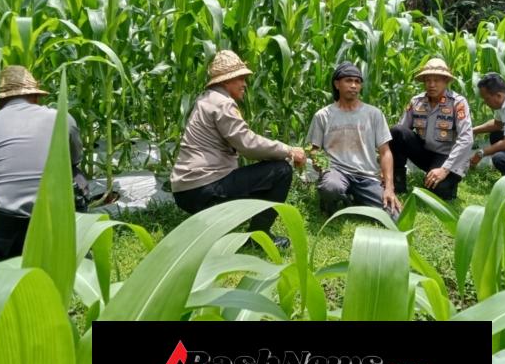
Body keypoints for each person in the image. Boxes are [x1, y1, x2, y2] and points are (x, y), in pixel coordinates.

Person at [171, 50, 306, 249]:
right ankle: (259, 237)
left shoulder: (207, 99)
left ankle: (219, 225)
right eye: (240, 78)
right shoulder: (223, 103)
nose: (244, 84)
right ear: (226, 81)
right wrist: (289, 150)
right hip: (203, 190)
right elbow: (247, 144)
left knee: (260, 175)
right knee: (280, 170)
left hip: (186, 191)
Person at [0, 65, 85, 259]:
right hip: (56, 217)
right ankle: (78, 236)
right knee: (76, 173)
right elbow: (74, 159)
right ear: (35, 96)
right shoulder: (63, 119)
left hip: (1, 230)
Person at [306, 62, 402, 218]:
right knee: (331, 188)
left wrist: (389, 188)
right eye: (348, 80)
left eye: (357, 82)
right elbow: (314, 149)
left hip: (367, 176)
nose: (353, 85)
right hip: (336, 172)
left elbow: (385, 152)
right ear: (337, 84)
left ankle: (354, 197)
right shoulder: (323, 115)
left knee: (395, 215)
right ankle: (332, 200)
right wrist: (321, 166)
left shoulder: (374, 114)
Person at [389, 58, 473, 200]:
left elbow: (467, 138)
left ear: (446, 81)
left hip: (447, 157)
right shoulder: (417, 101)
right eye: (428, 80)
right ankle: (397, 182)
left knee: (439, 192)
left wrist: (444, 169)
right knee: (397, 131)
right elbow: (401, 132)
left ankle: (447, 180)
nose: (431, 85)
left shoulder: (457, 102)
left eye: (437, 80)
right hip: (425, 153)